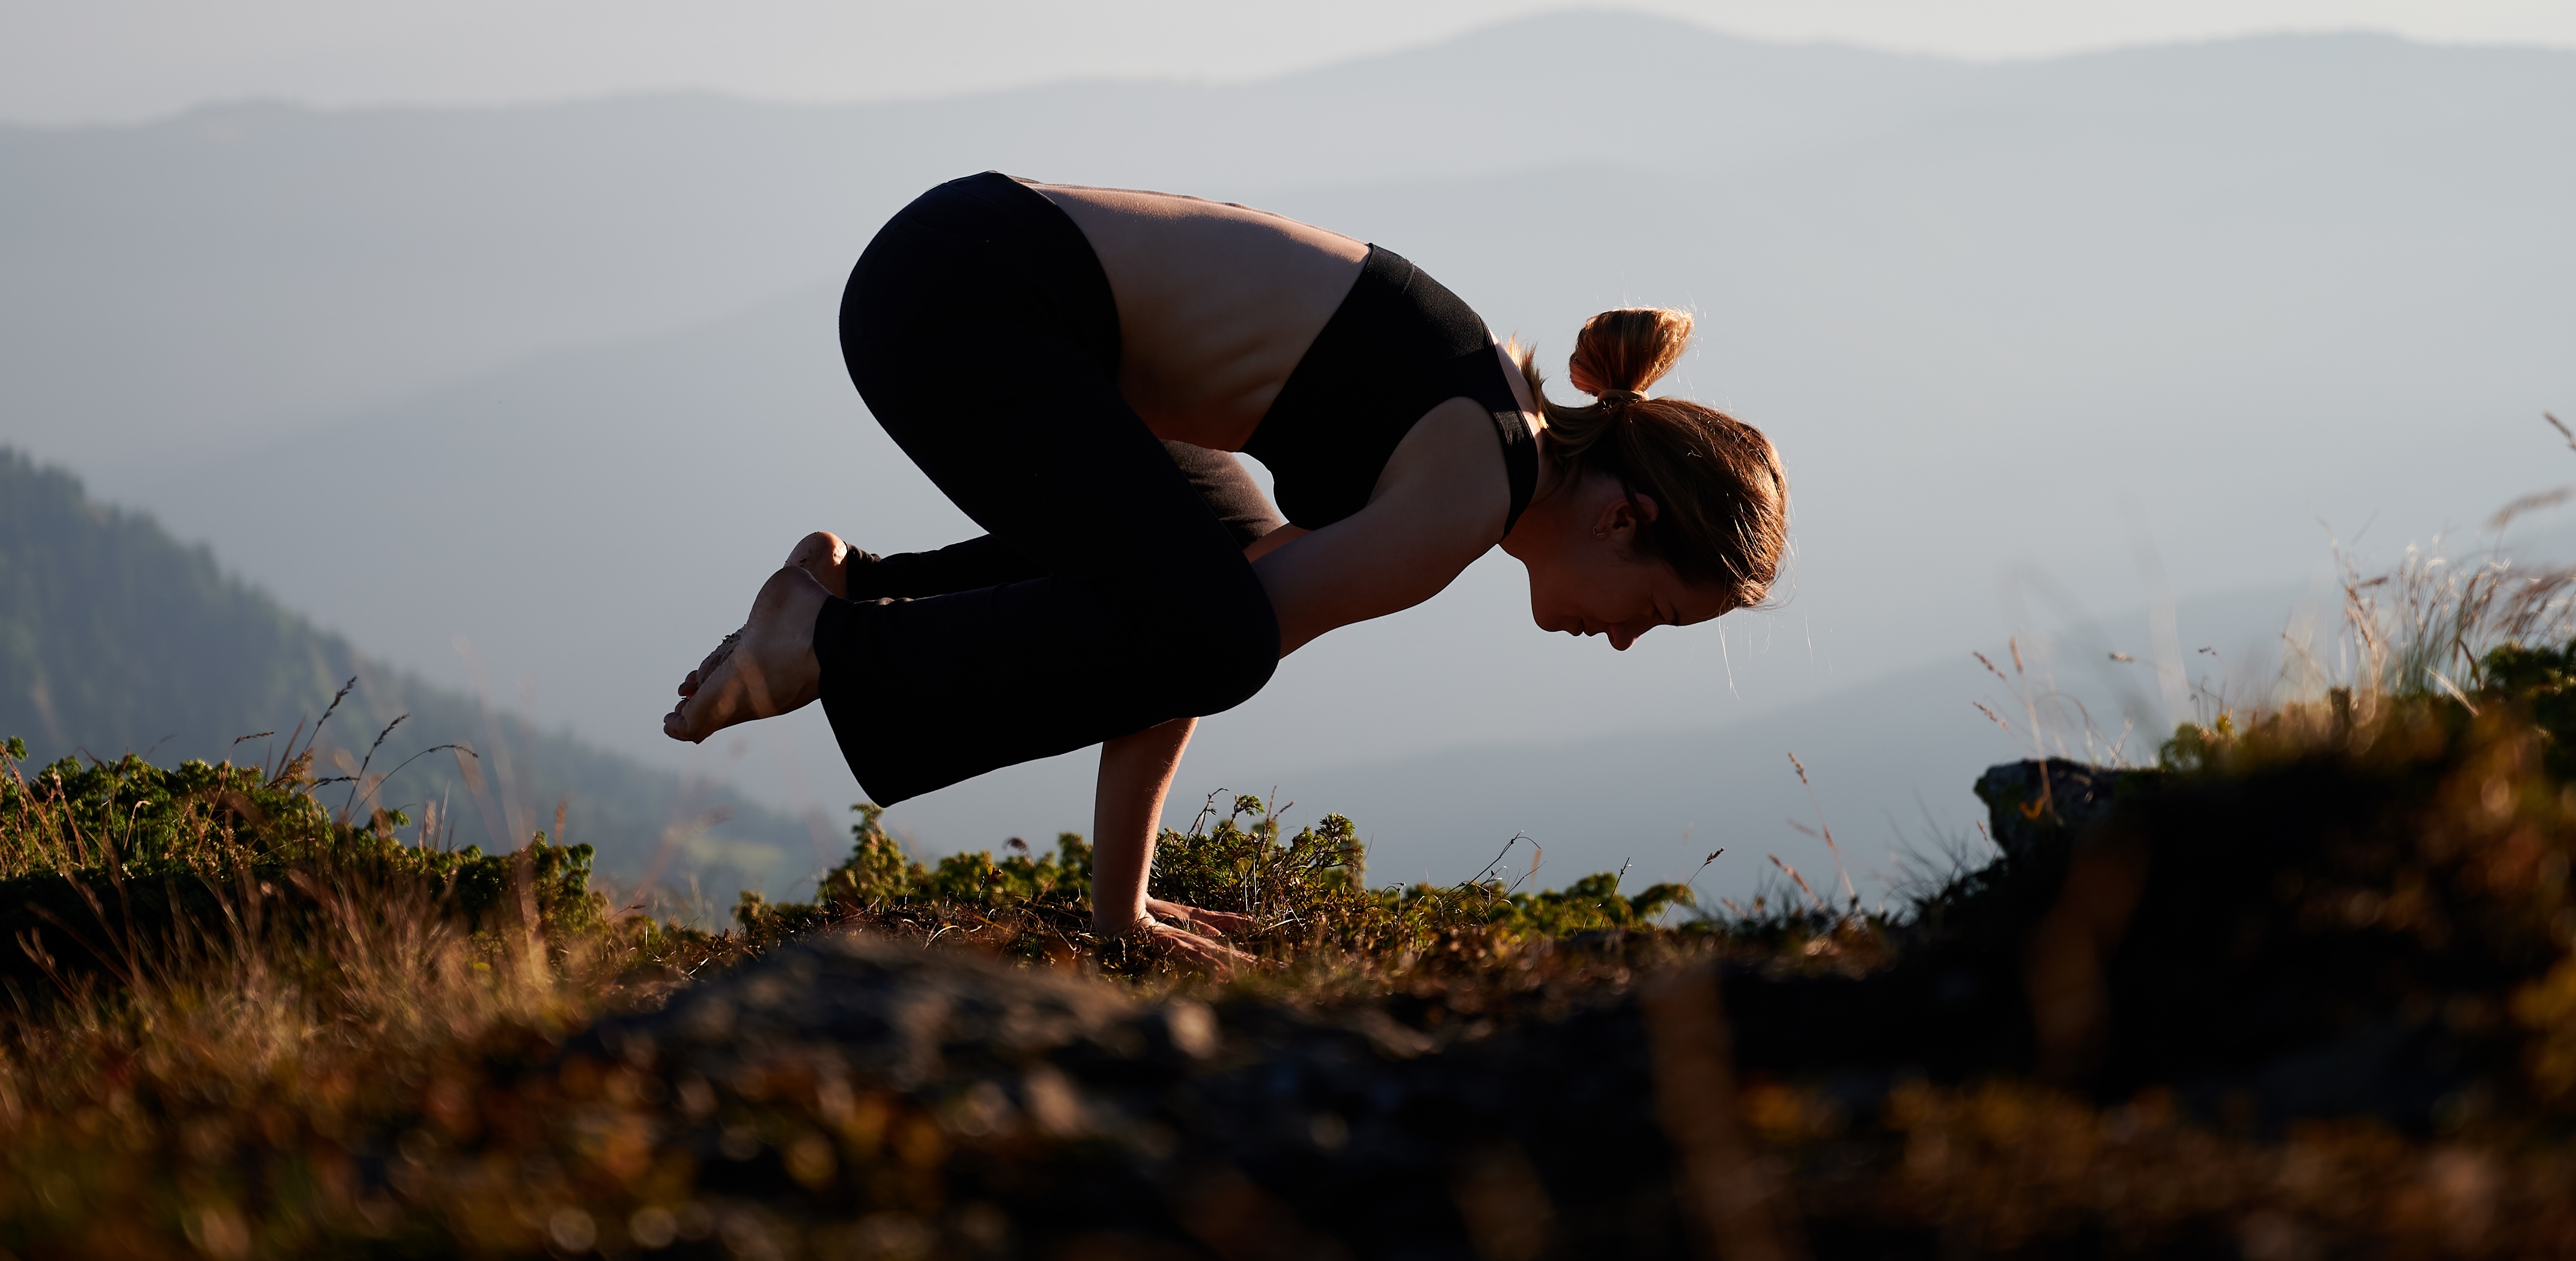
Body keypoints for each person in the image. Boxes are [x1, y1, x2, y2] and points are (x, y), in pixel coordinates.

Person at [664, 173, 1787, 964]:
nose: (1630, 640)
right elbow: (1192, 654)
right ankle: (820, 639)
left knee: (1209, 564)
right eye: (1659, 614)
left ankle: (848, 596)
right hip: (966, 303)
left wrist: (1121, 910)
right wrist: (1124, 915)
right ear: (1627, 521)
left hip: (968, 260)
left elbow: (1174, 627)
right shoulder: (1464, 497)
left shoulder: (1495, 430)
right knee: (1214, 627)